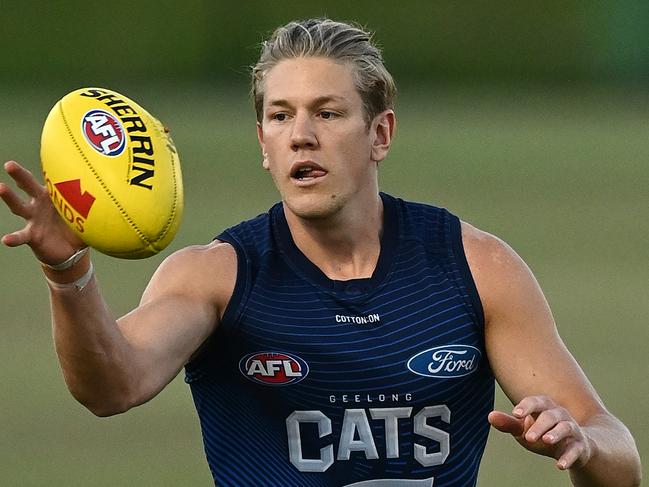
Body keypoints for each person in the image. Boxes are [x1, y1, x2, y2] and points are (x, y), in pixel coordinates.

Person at [0, 18, 641, 487]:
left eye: (328, 113)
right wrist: (68, 271)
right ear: (262, 142)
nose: (301, 135)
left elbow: (620, 457)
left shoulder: (475, 267)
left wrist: (580, 444)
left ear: (379, 132)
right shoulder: (219, 276)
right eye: (280, 117)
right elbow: (112, 386)